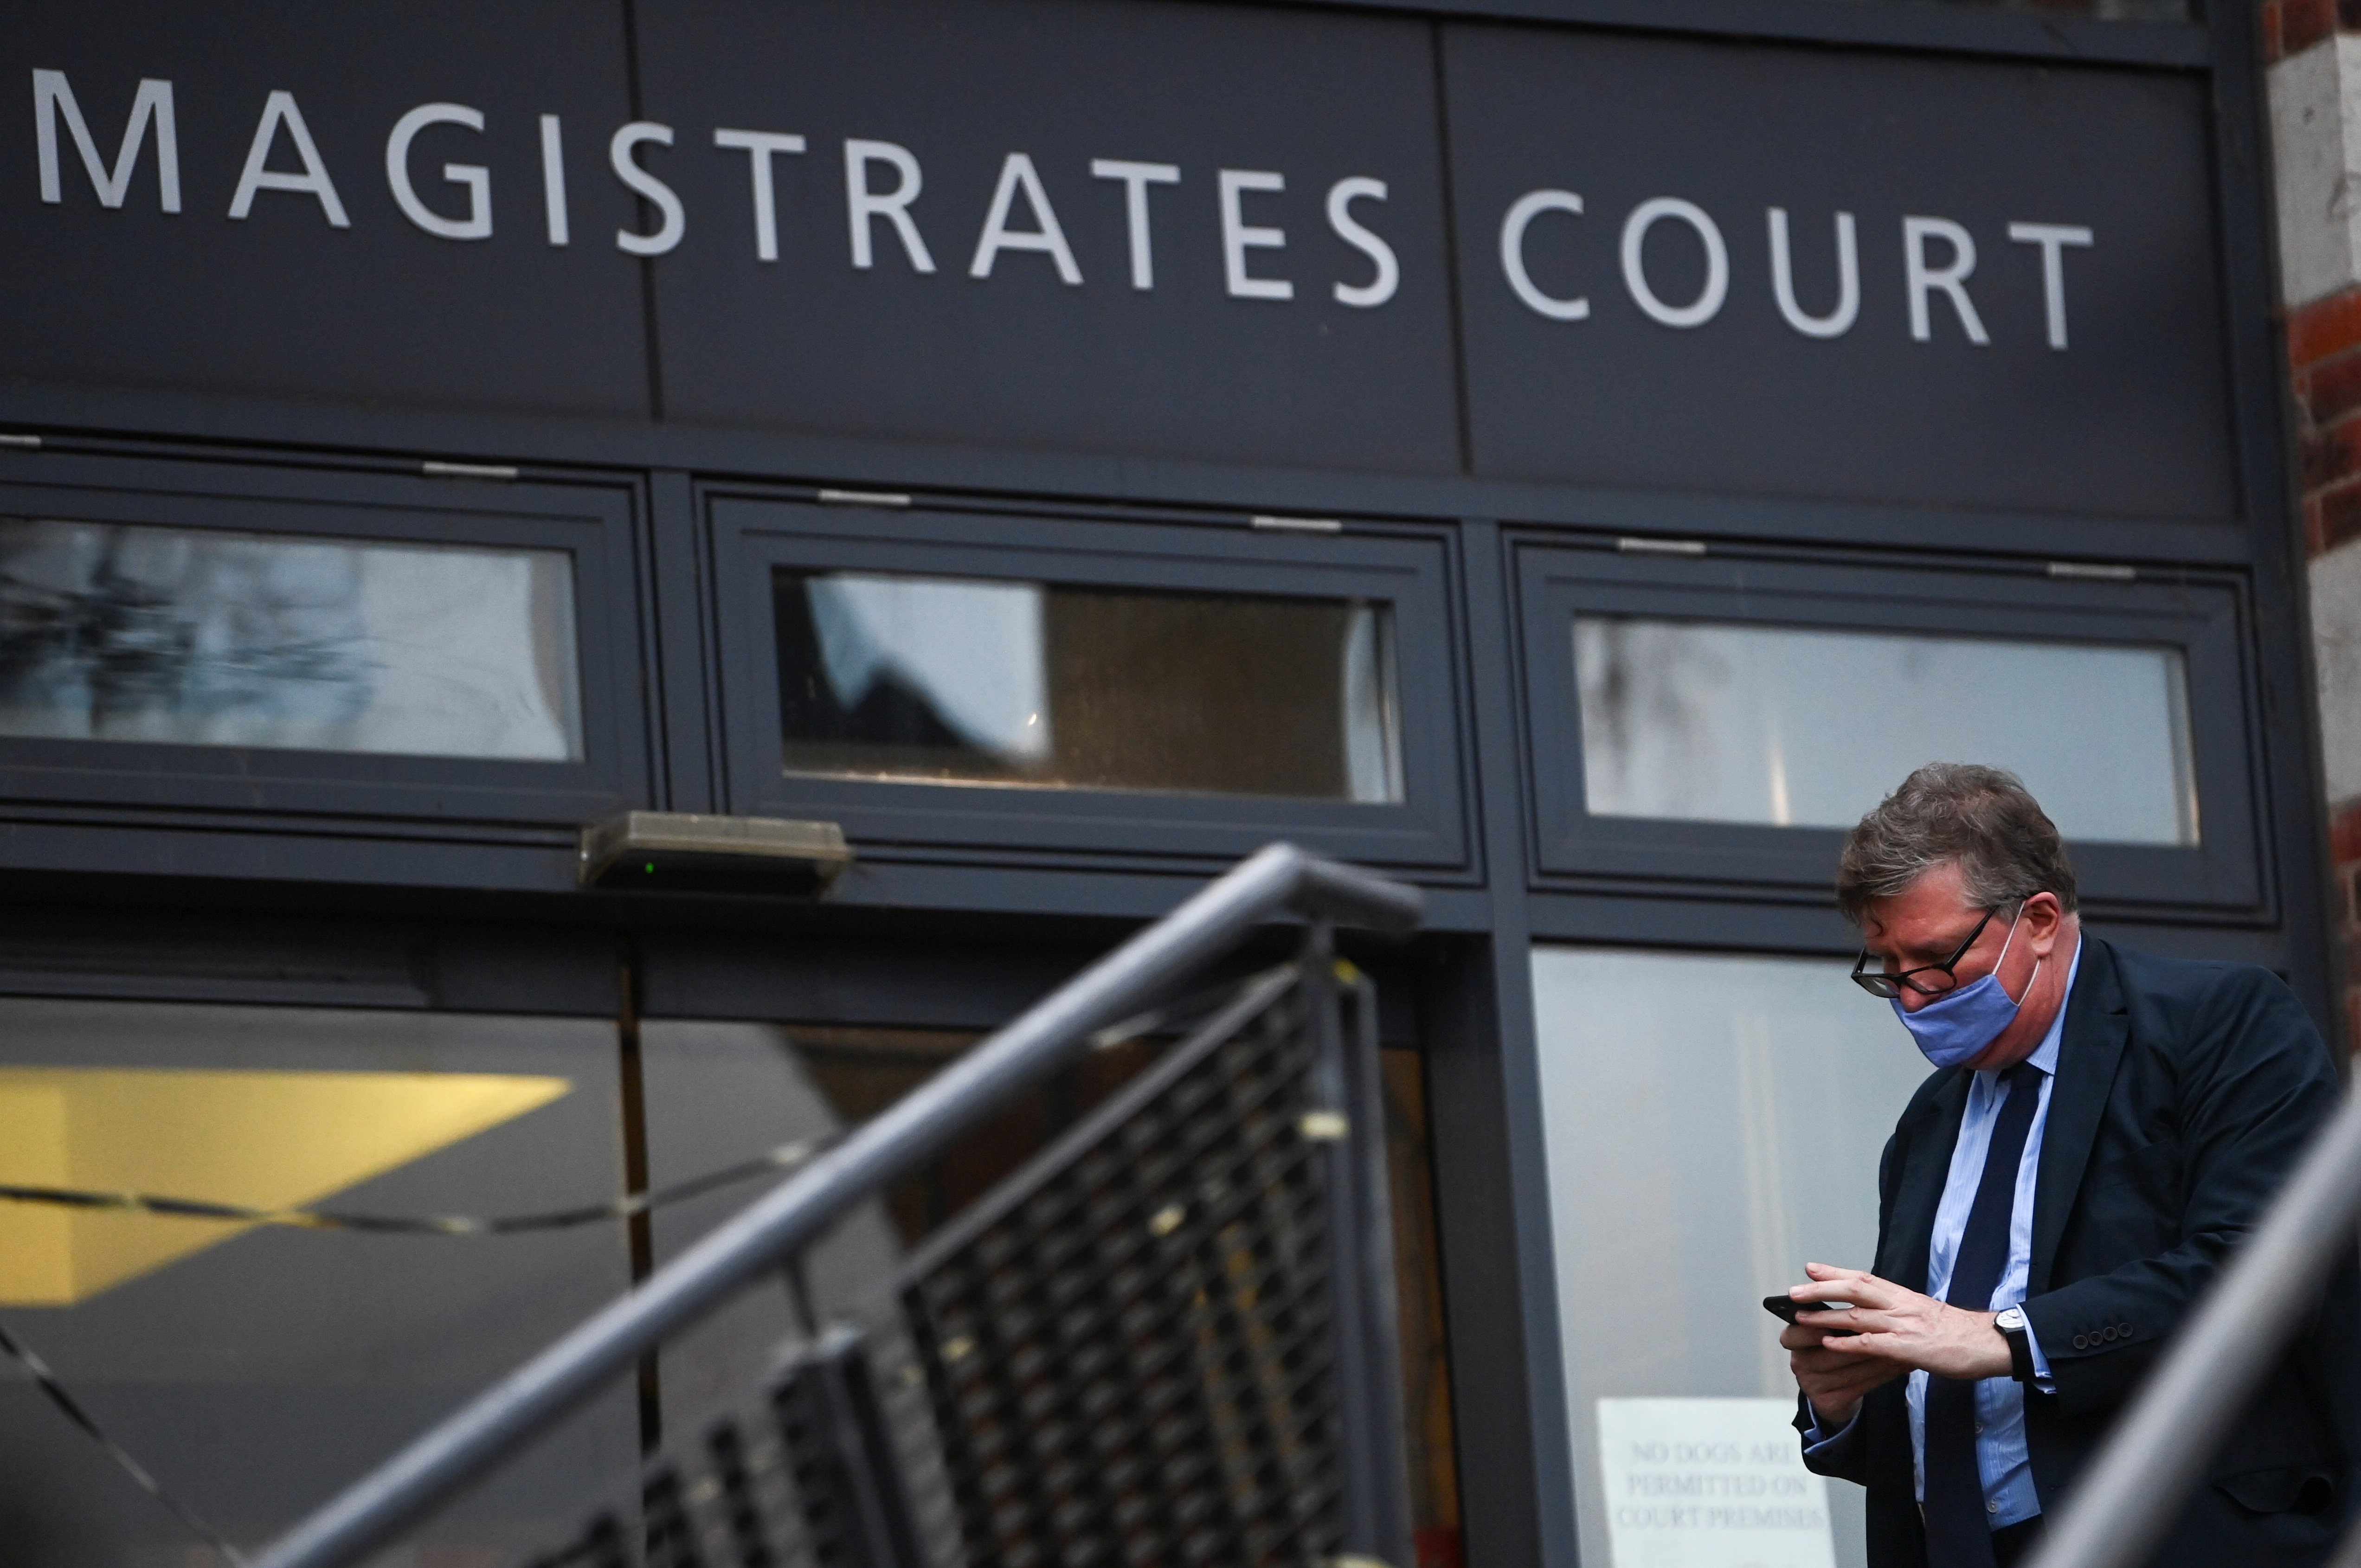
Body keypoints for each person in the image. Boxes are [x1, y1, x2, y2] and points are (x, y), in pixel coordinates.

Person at [1782, 763, 2359, 1568]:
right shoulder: (1927, 1124)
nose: (1912, 1001)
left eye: (1936, 961)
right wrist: (1840, 1401)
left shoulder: (2219, 1025)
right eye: (1889, 973)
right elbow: (1945, 1394)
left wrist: (2006, 1338)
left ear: (2041, 920)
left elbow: (2260, 1273)